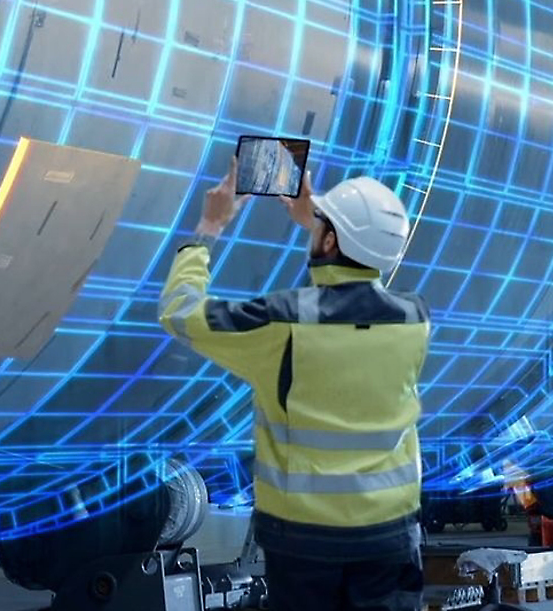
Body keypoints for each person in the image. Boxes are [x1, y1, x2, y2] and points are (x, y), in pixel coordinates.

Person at [158, 156, 430, 611]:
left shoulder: (281, 322)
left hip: (306, 541)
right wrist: (321, 227)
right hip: (392, 533)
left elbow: (181, 313)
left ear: (329, 240)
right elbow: (346, 299)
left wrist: (209, 226)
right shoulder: (413, 320)